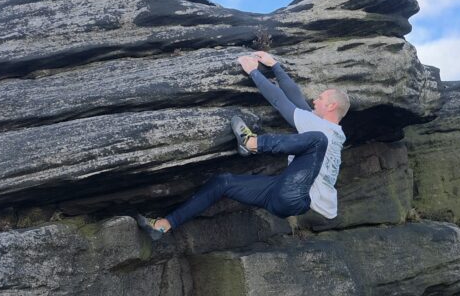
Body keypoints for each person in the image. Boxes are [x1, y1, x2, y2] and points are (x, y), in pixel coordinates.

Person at [136, 51, 349, 239]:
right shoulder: (329, 129)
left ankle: (252, 143)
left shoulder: (323, 132)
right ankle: (164, 226)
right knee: (223, 182)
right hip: (280, 194)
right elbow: (295, 97)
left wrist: (253, 72)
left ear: (331, 106)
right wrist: (274, 65)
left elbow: (281, 102)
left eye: (320, 98)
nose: (315, 101)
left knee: (317, 139)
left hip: (299, 199)